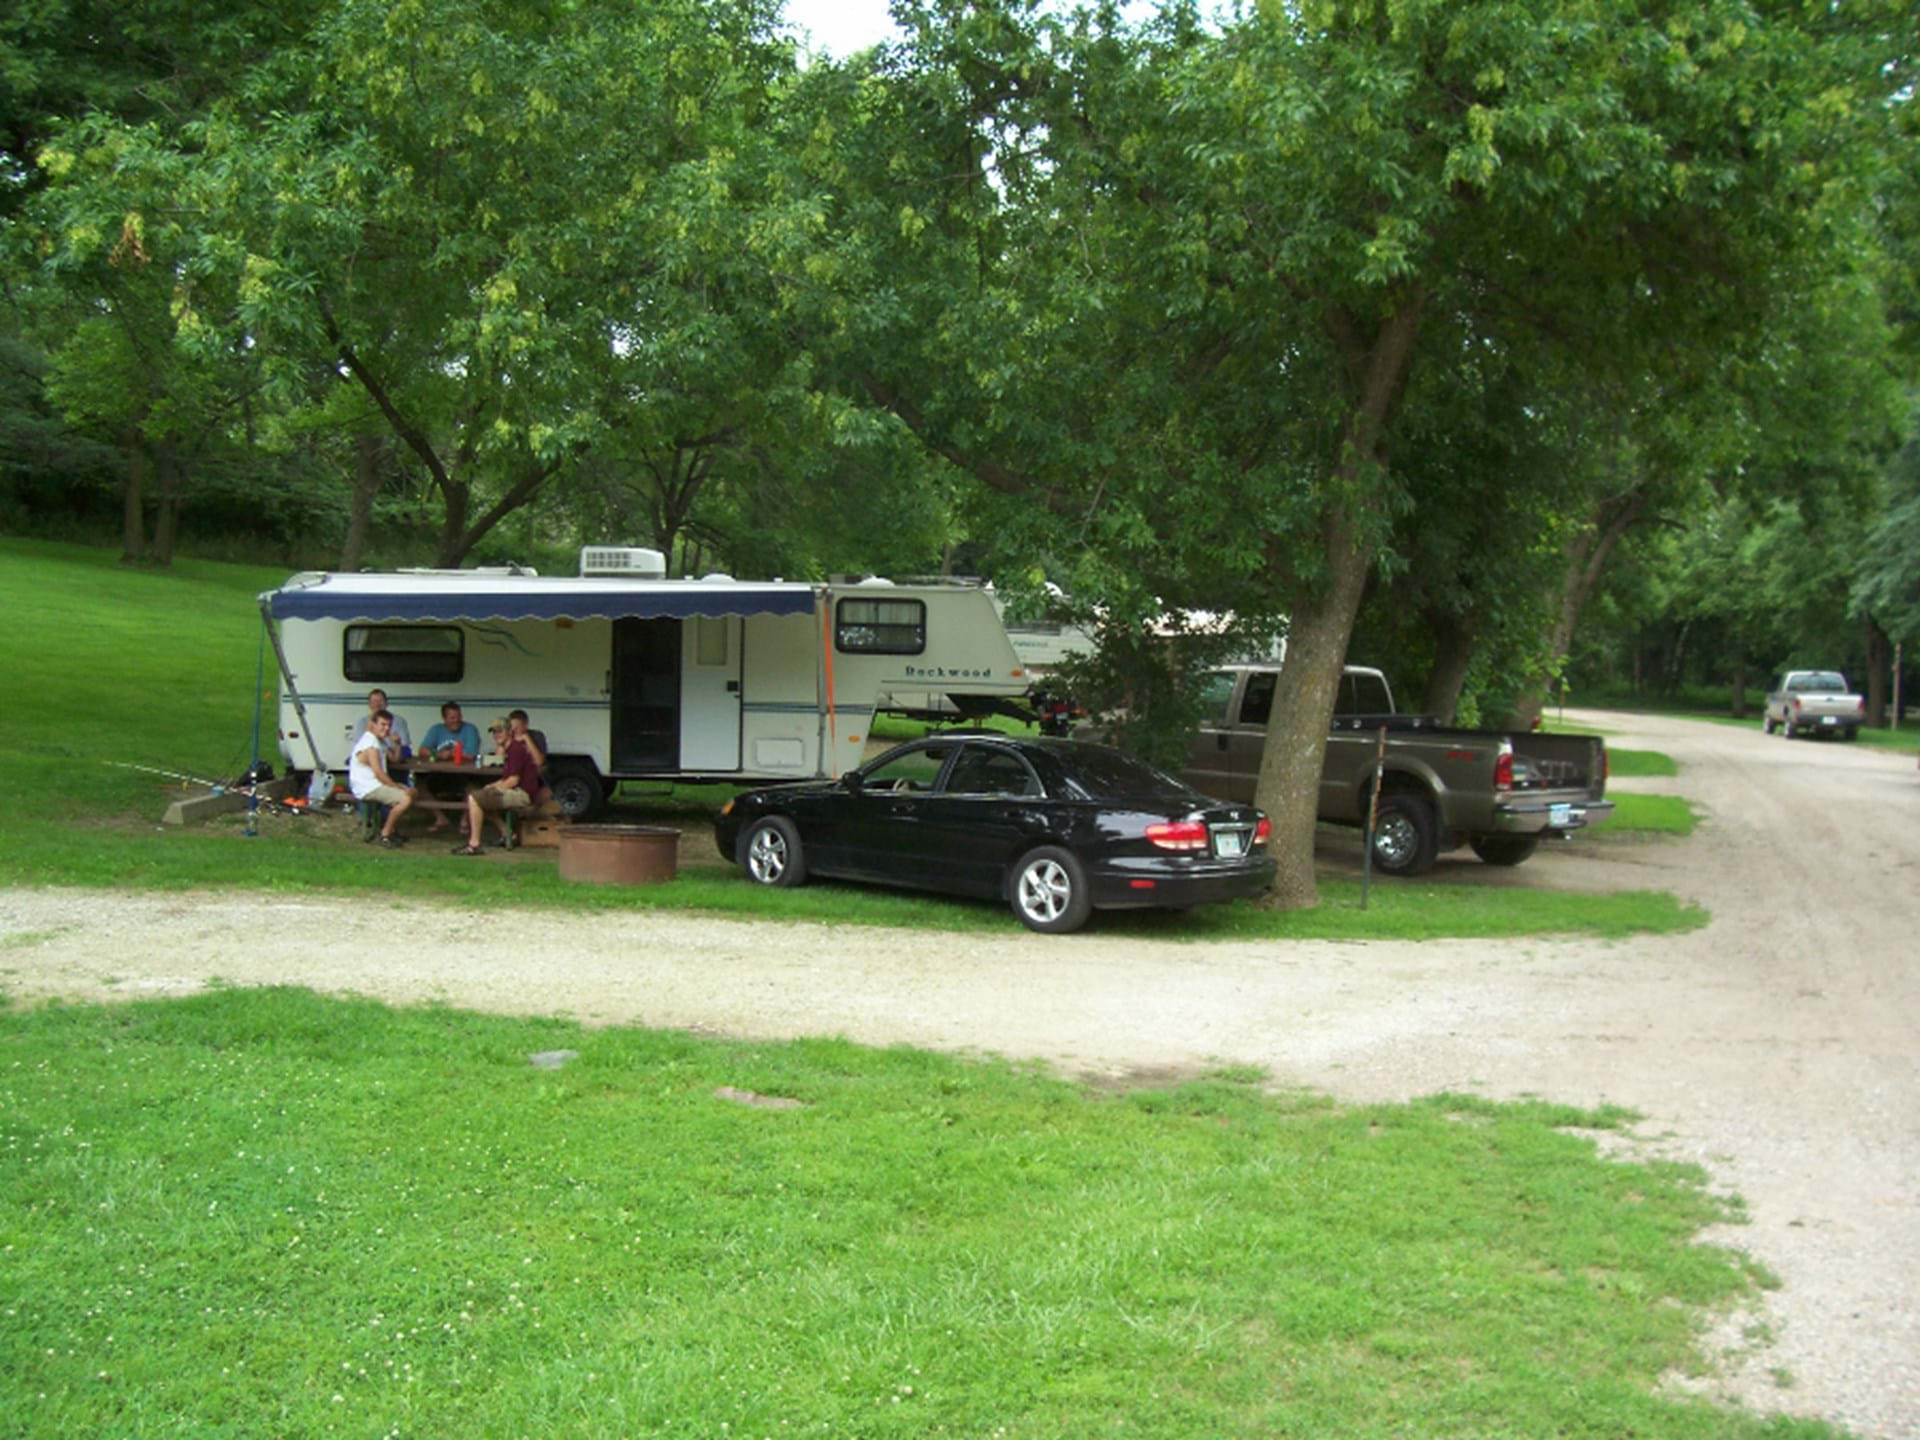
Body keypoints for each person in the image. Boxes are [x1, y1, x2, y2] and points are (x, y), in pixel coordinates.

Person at [454, 712, 545, 855]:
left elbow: (513, 781)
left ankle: (474, 844)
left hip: (522, 794)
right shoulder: (510, 749)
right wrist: (491, 786)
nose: (497, 735)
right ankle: (508, 834)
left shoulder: (516, 749)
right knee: (481, 796)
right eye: (494, 732)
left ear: (510, 732)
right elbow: (506, 778)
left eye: (500, 731)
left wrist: (494, 787)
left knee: (474, 798)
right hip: (516, 790)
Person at [349, 710, 417, 847]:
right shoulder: (370, 743)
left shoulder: (380, 741)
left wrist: (397, 744)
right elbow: (378, 773)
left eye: (388, 725)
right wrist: (397, 787)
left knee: (414, 792)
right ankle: (385, 834)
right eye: (382, 724)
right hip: (368, 787)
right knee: (405, 798)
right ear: (373, 724)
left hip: (376, 784)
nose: (386, 728)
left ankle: (392, 829)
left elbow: (395, 759)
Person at [418, 701, 483, 833]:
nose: (456, 720)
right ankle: (441, 818)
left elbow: (471, 755)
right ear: (444, 718)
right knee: (419, 785)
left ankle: (464, 821)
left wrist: (453, 754)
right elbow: (422, 750)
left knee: (473, 788)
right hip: (440, 773)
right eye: (452, 717)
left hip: (464, 773)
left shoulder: (470, 729)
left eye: (459, 716)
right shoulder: (436, 729)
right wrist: (438, 754)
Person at [348, 689, 412, 764]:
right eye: (374, 701)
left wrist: (397, 744)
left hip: (391, 760)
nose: (377, 704)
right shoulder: (362, 724)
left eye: (380, 701)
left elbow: (402, 749)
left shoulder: (399, 722)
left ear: (386, 703)